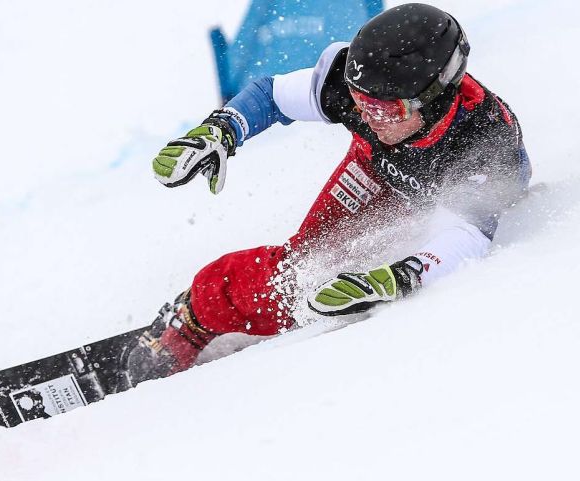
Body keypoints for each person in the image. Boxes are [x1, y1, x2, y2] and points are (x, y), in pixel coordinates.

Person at [127, 3, 531, 383]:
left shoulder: (483, 142)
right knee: (301, 273)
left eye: (387, 112)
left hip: (445, 197)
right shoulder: (358, 87)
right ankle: (198, 310)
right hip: (374, 170)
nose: (370, 119)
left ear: (435, 97)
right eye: (361, 103)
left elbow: (468, 232)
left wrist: (405, 273)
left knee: (340, 282)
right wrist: (223, 128)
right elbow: (272, 95)